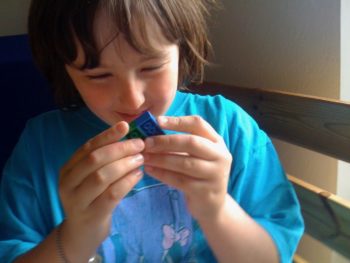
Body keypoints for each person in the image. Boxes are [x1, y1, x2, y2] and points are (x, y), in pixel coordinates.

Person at [0, 0, 304, 262]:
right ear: (65, 70)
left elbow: (274, 255)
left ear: (182, 49)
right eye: (99, 75)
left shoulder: (229, 128)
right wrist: (75, 235)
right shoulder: (40, 146)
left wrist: (216, 209)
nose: (132, 99)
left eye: (151, 67)